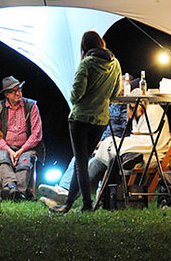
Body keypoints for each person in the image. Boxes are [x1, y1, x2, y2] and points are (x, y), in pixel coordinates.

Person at [50, 31, 121, 213]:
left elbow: (76, 95)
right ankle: (68, 204)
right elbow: (115, 94)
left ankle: (87, 205)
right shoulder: (115, 64)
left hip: (80, 119)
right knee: (82, 161)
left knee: (80, 162)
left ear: (85, 47)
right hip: (101, 120)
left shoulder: (87, 63)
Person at [37, 102, 128, 204]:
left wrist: (104, 144)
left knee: (89, 164)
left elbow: (125, 132)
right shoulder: (109, 105)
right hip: (100, 144)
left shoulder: (125, 108)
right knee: (78, 157)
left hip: (113, 146)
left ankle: (66, 195)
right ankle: (61, 192)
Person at [0, 75, 43, 201]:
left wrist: (20, 151)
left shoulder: (31, 106)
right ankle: (12, 187)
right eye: (14, 91)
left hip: (26, 147)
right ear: (7, 94)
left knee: (25, 161)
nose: (18, 93)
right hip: (6, 147)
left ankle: (16, 191)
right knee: (3, 158)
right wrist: (10, 151)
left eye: (19, 89)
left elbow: (36, 134)